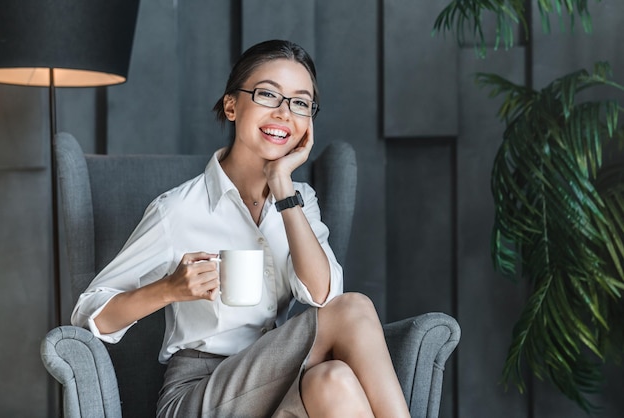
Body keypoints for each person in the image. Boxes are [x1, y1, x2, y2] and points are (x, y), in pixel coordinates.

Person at [71, 39, 410, 418]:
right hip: (201, 394)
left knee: (333, 381)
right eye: (268, 95)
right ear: (231, 106)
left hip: (277, 384)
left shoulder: (300, 200)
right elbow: (91, 315)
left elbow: (322, 294)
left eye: (300, 102)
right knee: (354, 309)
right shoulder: (179, 210)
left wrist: (282, 186)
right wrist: (169, 289)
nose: (284, 113)